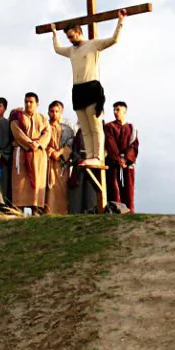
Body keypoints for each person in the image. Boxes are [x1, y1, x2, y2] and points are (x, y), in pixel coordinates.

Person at [53, 12, 126, 176]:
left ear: (79, 32)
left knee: (95, 125)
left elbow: (113, 40)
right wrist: (54, 34)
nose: (70, 40)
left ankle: (98, 156)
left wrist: (120, 21)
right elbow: (58, 49)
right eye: (68, 38)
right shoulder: (71, 51)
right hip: (78, 90)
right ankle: (91, 155)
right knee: (85, 127)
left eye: (72, 36)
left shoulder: (93, 45)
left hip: (91, 88)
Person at [9, 92, 51, 215]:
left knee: (37, 183)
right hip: (22, 153)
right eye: (26, 101)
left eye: (31, 102)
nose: (28, 104)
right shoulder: (17, 116)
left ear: (37, 104)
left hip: (38, 156)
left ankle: (36, 211)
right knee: (20, 184)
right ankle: (18, 212)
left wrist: (37, 144)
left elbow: (47, 133)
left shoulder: (43, 118)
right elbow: (16, 131)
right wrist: (29, 143)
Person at [105, 102, 140, 213]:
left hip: (128, 163)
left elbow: (134, 145)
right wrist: (118, 159)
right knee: (114, 188)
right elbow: (110, 143)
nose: (115, 112)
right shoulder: (109, 127)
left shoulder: (131, 128)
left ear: (124, 112)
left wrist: (126, 159)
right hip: (113, 163)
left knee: (129, 188)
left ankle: (129, 211)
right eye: (114, 110)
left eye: (118, 110)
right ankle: (116, 211)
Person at [45, 100, 75, 216]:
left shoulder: (68, 129)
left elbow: (71, 145)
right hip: (47, 163)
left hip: (62, 165)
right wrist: (50, 151)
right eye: (52, 111)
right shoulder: (44, 126)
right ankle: (46, 212)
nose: (54, 114)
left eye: (57, 111)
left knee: (61, 190)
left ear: (61, 112)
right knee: (47, 189)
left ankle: (62, 213)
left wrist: (61, 152)